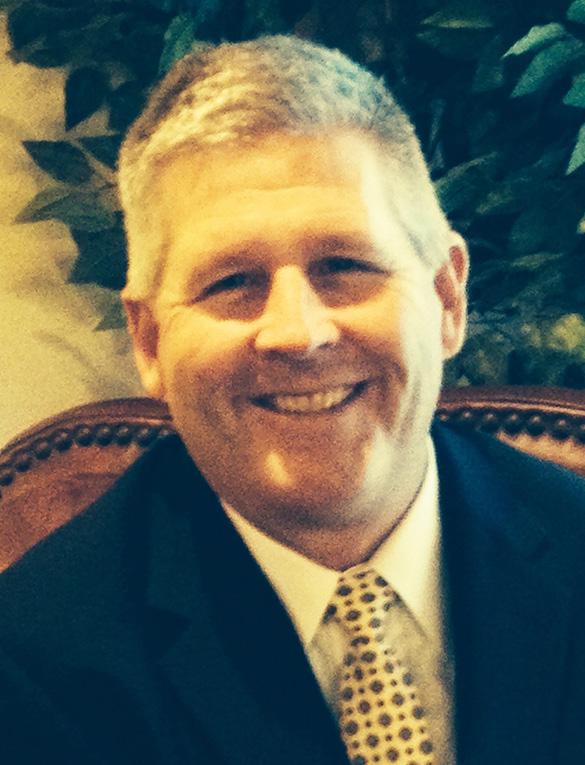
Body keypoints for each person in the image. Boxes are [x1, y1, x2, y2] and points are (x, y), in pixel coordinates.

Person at [1, 35, 585, 765]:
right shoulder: (33, 665)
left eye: (344, 264)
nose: (298, 333)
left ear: (445, 298)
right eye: (230, 282)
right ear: (149, 341)